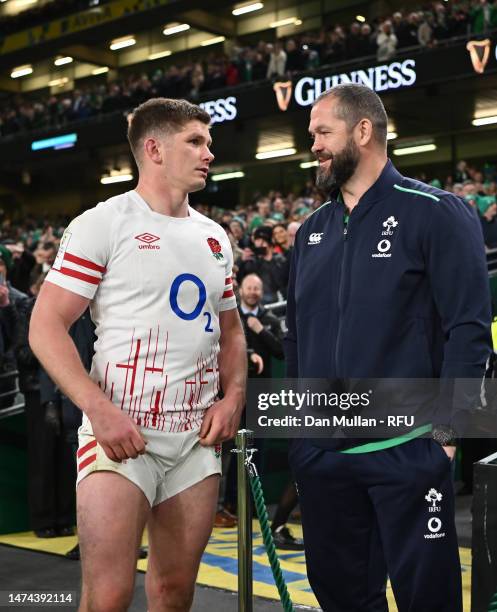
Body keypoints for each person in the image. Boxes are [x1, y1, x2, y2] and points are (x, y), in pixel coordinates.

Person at [29, 97, 247, 612]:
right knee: (106, 596)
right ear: (153, 148)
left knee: (174, 593)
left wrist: (232, 396)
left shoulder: (215, 237)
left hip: (195, 440)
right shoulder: (102, 224)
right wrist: (99, 411)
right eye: (195, 141)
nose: (208, 153)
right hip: (121, 434)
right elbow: (45, 325)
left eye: (208, 142)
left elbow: (232, 332)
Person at [285, 83, 492, 611]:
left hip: (408, 450)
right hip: (324, 458)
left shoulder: (437, 211)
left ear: (363, 131)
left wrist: (447, 435)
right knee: (342, 598)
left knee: (429, 599)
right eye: (312, 135)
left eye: (322, 133)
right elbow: (296, 342)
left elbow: (469, 331)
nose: (314, 145)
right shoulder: (310, 232)